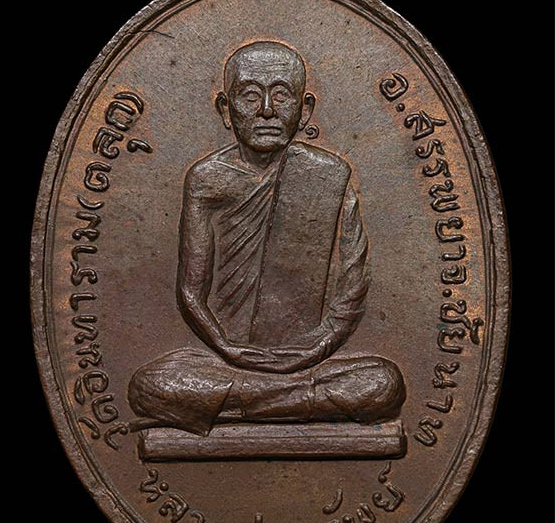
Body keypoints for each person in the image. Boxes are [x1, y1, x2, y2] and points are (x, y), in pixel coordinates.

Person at [129, 41, 405, 435]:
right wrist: (228, 349)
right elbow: (190, 292)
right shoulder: (207, 179)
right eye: (249, 95)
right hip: (224, 359)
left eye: (281, 95)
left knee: (383, 383)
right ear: (225, 109)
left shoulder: (328, 174)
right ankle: (293, 401)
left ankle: (240, 406)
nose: (266, 110)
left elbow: (352, 282)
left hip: (312, 358)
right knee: (150, 385)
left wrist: (318, 347)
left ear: (304, 109)